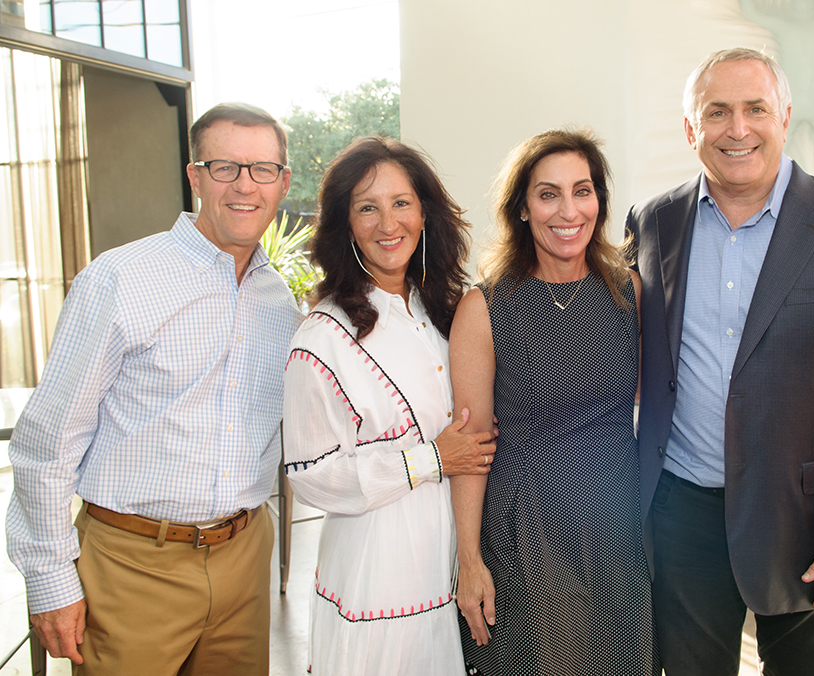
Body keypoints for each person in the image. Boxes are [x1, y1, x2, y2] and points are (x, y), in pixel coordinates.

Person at [625, 47, 814, 676]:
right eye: (717, 112)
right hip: (682, 515)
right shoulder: (653, 222)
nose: (737, 128)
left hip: (808, 522)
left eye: (755, 108)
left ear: (784, 116)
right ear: (691, 129)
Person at [5, 102, 302, 675]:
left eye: (263, 169)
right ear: (195, 176)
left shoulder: (278, 301)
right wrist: (49, 579)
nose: (245, 185)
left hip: (245, 558)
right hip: (132, 564)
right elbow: (47, 441)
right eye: (224, 167)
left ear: (283, 182)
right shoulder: (120, 278)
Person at [282, 137, 496, 676]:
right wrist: (429, 459)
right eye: (367, 208)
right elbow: (310, 477)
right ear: (345, 224)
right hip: (376, 583)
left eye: (401, 203)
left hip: (451, 570)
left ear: (424, 214)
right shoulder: (323, 337)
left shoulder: (444, 311)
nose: (388, 223)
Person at [450, 129, 660, 675]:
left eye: (582, 191)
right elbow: (469, 449)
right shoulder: (484, 308)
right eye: (548, 194)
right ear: (522, 208)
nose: (569, 211)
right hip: (527, 534)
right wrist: (468, 560)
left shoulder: (630, 293)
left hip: (616, 530)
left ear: (599, 202)